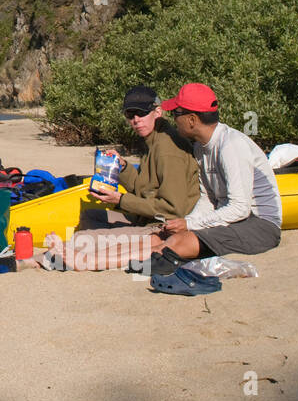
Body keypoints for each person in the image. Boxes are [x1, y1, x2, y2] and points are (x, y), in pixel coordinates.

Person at [41, 86, 199, 271]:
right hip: (147, 218)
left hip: (161, 227)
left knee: (80, 239)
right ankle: (110, 247)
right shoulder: (153, 140)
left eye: (141, 113)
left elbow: (172, 210)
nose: (136, 120)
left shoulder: (167, 150)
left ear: (158, 111)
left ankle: (88, 254)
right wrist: (123, 168)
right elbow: (144, 189)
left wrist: (121, 200)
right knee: (91, 215)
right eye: (130, 115)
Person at [146, 82, 282, 275]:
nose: (174, 120)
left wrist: (190, 226)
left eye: (177, 113)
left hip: (260, 225)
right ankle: (138, 261)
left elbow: (240, 208)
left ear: (192, 119)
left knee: (179, 242)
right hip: (234, 219)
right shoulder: (201, 147)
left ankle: (143, 264)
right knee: (164, 237)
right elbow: (208, 198)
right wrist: (187, 221)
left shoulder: (231, 146)